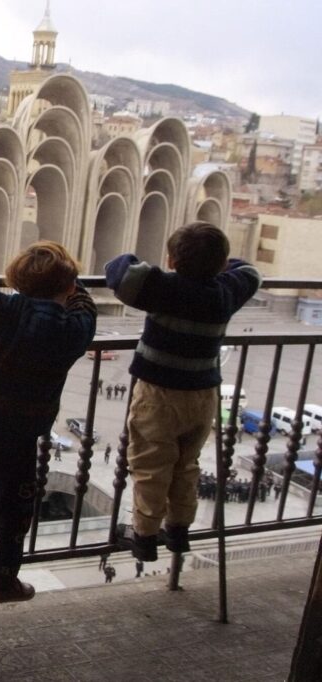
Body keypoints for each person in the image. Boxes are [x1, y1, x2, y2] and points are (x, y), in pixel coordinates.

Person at [0, 241, 97, 603]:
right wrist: (70, 282)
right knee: (17, 501)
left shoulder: (13, 307)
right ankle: (5, 580)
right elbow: (84, 303)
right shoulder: (76, 326)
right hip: (23, 425)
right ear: (69, 285)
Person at [106, 222, 261, 562]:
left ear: (172, 261)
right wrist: (219, 266)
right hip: (203, 394)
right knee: (187, 464)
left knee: (151, 464)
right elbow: (250, 271)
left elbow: (118, 268)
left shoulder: (164, 288)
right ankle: (178, 529)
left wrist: (161, 266)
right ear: (221, 264)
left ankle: (145, 536)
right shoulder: (225, 292)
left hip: (159, 396)